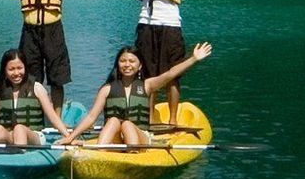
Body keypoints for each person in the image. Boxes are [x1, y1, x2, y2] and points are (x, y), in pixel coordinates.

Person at [64, 42, 212, 148]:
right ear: (117, 65)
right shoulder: (107, 89)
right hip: (116, 140)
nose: (127, 64)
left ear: (140, 66)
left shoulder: (147, 86)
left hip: (141, 137)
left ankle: (133, 155)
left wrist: (193, 59)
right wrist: (71, 137)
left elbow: (170, 74)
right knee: (114, 120)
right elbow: (91, 117)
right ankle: (100, 151)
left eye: (131, 61)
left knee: (127, 124)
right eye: (122, 61)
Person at [0, 50, 69, 147]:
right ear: (4, 71)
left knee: (19, 128)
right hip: (11, 136)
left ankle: (20, 157)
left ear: (25, 68)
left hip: (34, 136)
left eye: (19, 68)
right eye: (11, 69)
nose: (16, 73)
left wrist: (69, 137)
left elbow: (53, 117)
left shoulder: (36, 88)